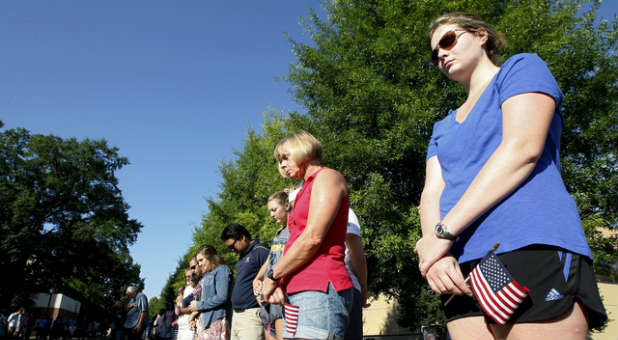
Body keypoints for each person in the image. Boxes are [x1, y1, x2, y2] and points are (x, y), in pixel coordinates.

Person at [414, 12, 607, 340]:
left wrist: (442, 235)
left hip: (527, 243)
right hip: (462, 265)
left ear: (480, 36)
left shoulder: (520, 69)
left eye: (448, 40)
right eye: (435, 54)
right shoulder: (442, 127)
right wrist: (435, 255)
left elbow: (522, 149)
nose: (441, 54)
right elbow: (431, 192)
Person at [262, 130, 354, 339]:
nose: (282, 164)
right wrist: (279, 281)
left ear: (303, 149)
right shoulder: (304, 189)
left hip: (319, 287)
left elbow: (312, 237)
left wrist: (272, 276)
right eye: (280, 160)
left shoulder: (327, 177)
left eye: (286, 157)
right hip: (295, 291)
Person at [253, 191, 292, 340]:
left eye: (274, 210)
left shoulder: (293, 230)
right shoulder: (279, 232)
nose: (271, 215)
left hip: (281, 291)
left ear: (287, 206)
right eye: (270, 211)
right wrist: (258, 279)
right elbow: (271, 259)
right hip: (269, 291)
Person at [220, 224, 269, 340]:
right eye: (229, 248)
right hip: (237, 315)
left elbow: (273, 276)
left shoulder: (260, 251)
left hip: (251, 314)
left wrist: (262, 298)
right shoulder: (242, 257)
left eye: (232, 246)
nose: (232, 250)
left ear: (242, 237)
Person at [188, 245, 232, 340]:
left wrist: (199, 306)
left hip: (217, 321)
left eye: (201, 260)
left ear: (210, 257)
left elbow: (222, 297)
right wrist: (194, 315)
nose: (199, 264)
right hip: (205, 323)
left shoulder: (222, 270)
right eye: (198, 261)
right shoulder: (207, 275)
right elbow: (205, 300)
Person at [343, 208, 368, 340]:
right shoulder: (344, 211)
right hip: (345, 285)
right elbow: (357, 257)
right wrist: (363, 287)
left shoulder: (303, 212)